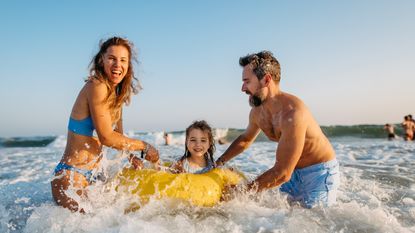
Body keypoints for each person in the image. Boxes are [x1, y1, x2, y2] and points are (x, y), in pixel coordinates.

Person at [215, 51, 339, 208]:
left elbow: (282, 173)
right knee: (280, 219)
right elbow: (245, 139)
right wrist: (218, 163)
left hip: (318, 174)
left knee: (313, 222)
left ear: (266, 79)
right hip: (293, 173)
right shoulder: (257, 112)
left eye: (247, 81)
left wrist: (242, 192)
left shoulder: (293, 114)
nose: (242, 88)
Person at [51, 37, 160, 213]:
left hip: (94, 178)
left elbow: (119, 138)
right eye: (112, 58)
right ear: (102, 60)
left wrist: (131, 157)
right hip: (71, 176)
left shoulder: (117, 95)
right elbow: (106, 137)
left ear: (128, 65)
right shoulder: (97, 85)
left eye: (123, 60)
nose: (118, 64)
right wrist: (144, 146)